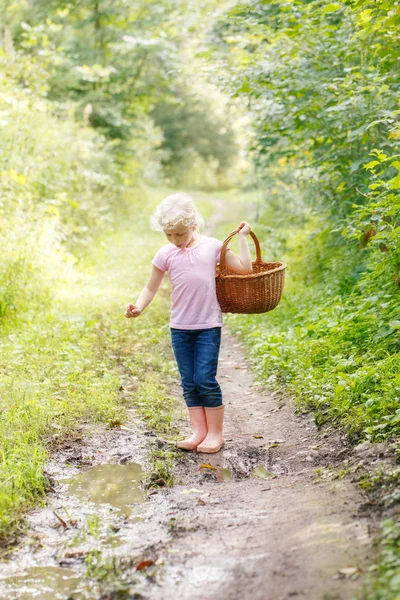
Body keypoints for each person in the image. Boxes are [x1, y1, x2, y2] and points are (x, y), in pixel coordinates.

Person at [125, 193, 252, 454]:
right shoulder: (165, 253)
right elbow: (150, 288)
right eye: (169, 235)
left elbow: (245, 268)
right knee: (188, 381)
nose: (174, 240)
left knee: (204, 378)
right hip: (179, 327)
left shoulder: (213, 246)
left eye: (180, 234)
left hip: (207, 325)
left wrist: (243, 238)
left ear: (194, 225)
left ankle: (216, 434)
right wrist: (138, 307)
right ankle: (198, 432)